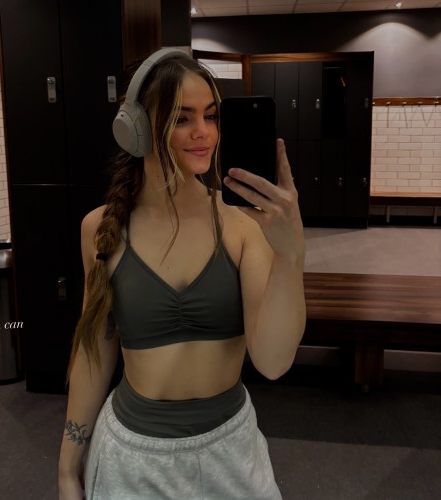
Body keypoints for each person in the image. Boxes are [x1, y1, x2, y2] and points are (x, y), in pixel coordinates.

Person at [58, 48, 306, 500]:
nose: (203, 133)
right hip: (133, 457)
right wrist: (66, 467)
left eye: (211, 116)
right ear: (136, 128)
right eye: (181, 118)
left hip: (230, 451)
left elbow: (273, 363)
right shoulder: (100, 229)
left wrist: (291, 256)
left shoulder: (242, 225)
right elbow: (95, 351)